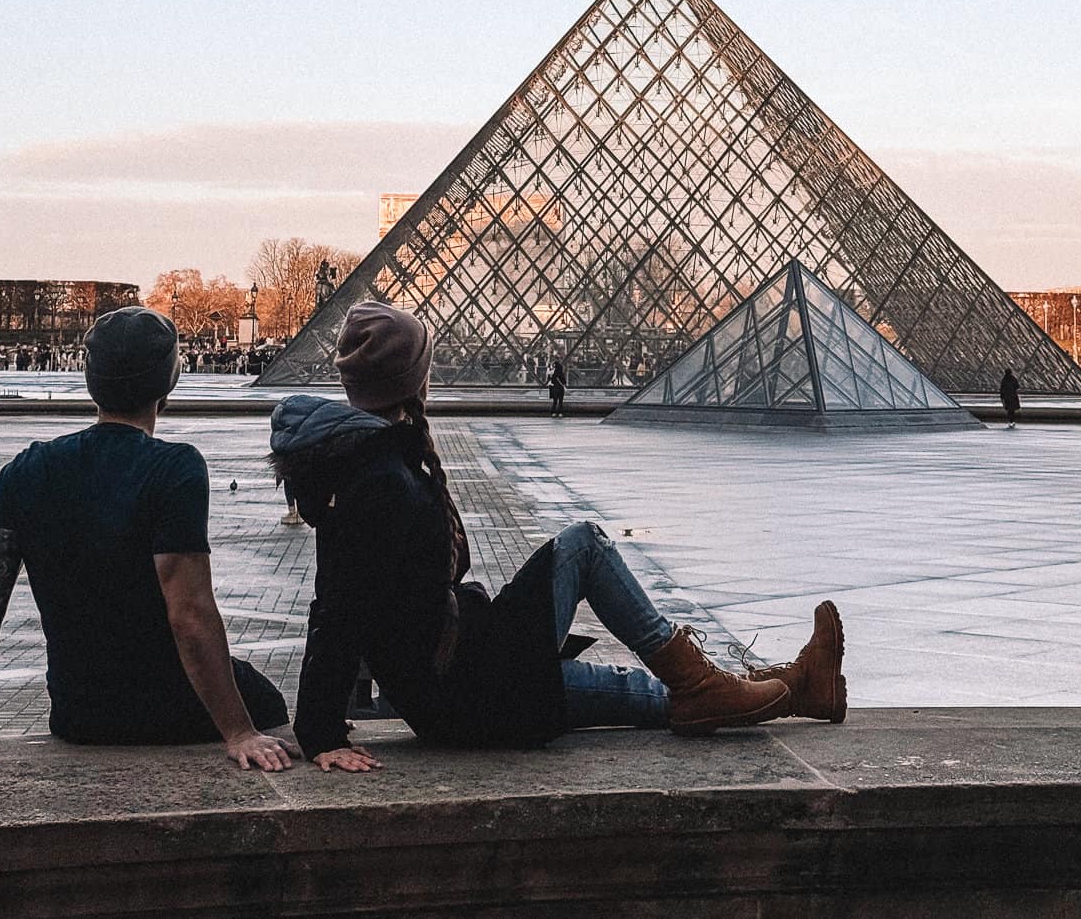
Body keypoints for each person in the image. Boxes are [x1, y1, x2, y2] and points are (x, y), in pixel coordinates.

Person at [270, 301, 846, 773]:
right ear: (414, 377)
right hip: (477, 692)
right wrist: (320, 730)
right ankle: (729, 684)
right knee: (589, 554)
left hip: (468, 677)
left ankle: (793, 687)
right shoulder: (380, 478)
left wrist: (337, 707)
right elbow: (340, 606)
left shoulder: (365, 461)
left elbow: (355, 602)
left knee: (647, 690)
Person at [0, 307, 293, 770]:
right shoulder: (174, 467)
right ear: (170, 383)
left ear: (89, 380)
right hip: (168, 707)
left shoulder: (25, 470)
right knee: (269, 701)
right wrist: (239, 731)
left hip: (78, 713)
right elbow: (189, 613)